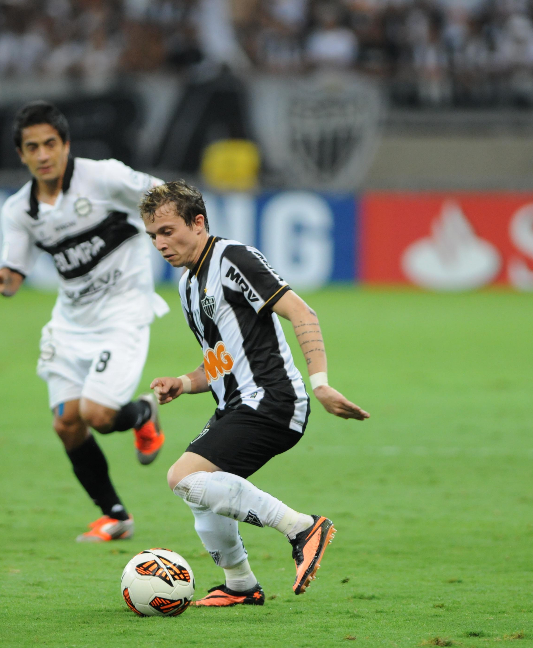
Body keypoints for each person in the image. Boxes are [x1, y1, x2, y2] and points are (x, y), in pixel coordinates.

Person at [142, 181, 369, 606]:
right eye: (153, 235)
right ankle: (240, 585)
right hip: (235, 404)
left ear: (198, 222)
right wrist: (186, 383)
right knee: (201, 495)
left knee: (183, 477)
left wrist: (320, 383)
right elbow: (224, 357)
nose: (160, 243)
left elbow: (301, 311)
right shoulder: (188, 286)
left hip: (272, 399)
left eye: (168, 231)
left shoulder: (233, 258)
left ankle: (302, 527)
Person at [0, 101, 169, 543]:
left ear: (66, 145)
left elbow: (164, 197)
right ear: (21, 155)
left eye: (51, 143)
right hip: (71, 322)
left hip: (123, 311)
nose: (43, 154)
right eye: (33, 147)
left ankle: (143, 412)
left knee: (98, 415)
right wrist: (3, 280)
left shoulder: (104, 177)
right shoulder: (19, 210)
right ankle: (116, 515)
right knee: (67, 423)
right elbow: (15, 275)